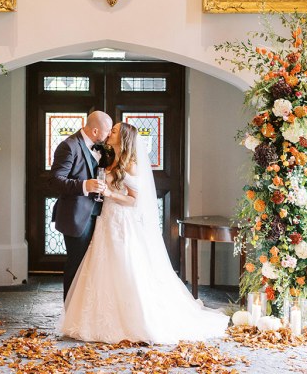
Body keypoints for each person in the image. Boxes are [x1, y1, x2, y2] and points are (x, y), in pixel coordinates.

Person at [61, 122, 230, 344]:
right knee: (103, 267)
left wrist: (110, 195)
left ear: (123, 138)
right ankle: (95, 319)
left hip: (121, 221)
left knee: (124, 266)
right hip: (106, 221)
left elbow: (134, 200)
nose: (110, 132)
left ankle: (131, 320)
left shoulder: (131, 165)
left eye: (114, 131)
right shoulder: (112, 158)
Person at [48, 111, 113, 301]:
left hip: (100, 215)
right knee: (77, 264)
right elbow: (54, 181)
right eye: (107, 130)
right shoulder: (68, 146)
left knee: (93, 265)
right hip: (76, 217)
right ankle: (70, 310)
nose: (109, 134)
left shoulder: (101, 147)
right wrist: (85, 186)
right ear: (95, 130)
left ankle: (86, 309)